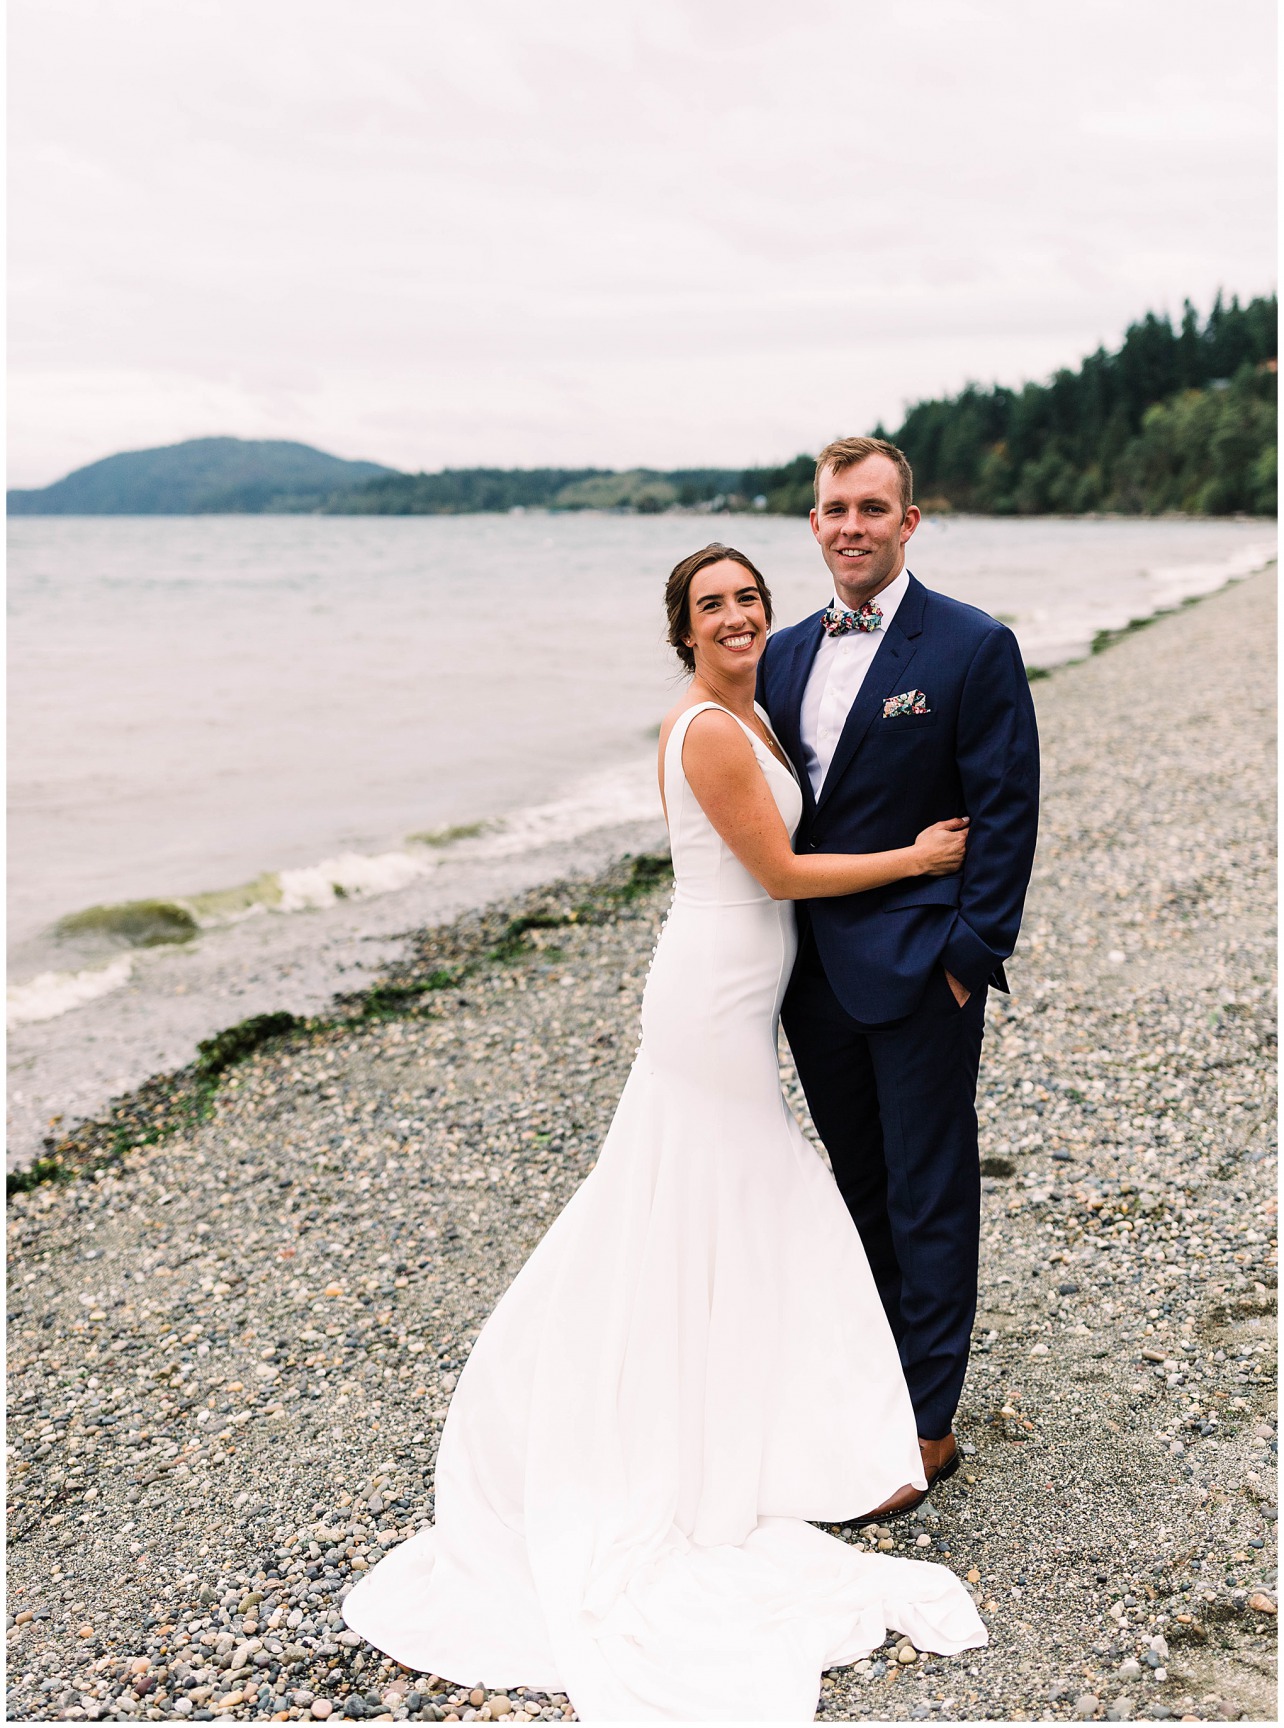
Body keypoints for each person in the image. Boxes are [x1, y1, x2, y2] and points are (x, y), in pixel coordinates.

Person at [342, 541, 988, 1722]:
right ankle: (710, 1424)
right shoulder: (703, 728)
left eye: (748, 598)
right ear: (683, 630)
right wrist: (921, 856)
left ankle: (759, 1410)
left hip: (744, 989)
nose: (736, 616)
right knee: (725, 1186)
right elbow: (782, 871)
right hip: (713, 992)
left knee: (725, 1192)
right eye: (712, 606)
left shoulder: (751, 711)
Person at [758, 436, 1040, 1520]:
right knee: (859, 1188)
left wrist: (971, 958)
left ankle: (927, 1424)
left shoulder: (971, 645)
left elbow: (1006, 808)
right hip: (810, 975)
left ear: (908, 522)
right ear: (816, 522)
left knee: (931, 1191)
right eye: (835, 509)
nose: (852, 527)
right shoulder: (782, 653)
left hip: (924, 970)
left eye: (874, 508)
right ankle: (868, 1382)